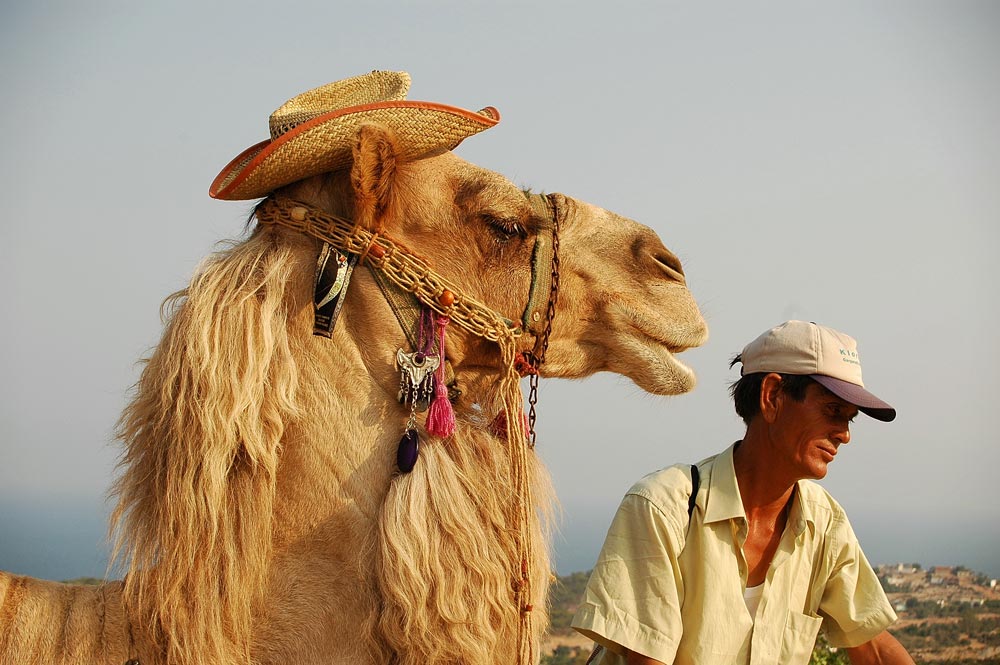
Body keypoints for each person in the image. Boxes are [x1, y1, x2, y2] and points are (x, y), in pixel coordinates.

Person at [572, 321, 915, 665]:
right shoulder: (665, 507)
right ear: (773, 397)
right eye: (832, 411)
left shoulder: (823, 523)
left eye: (850, 419)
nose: (844, 435)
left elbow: (872, 648)